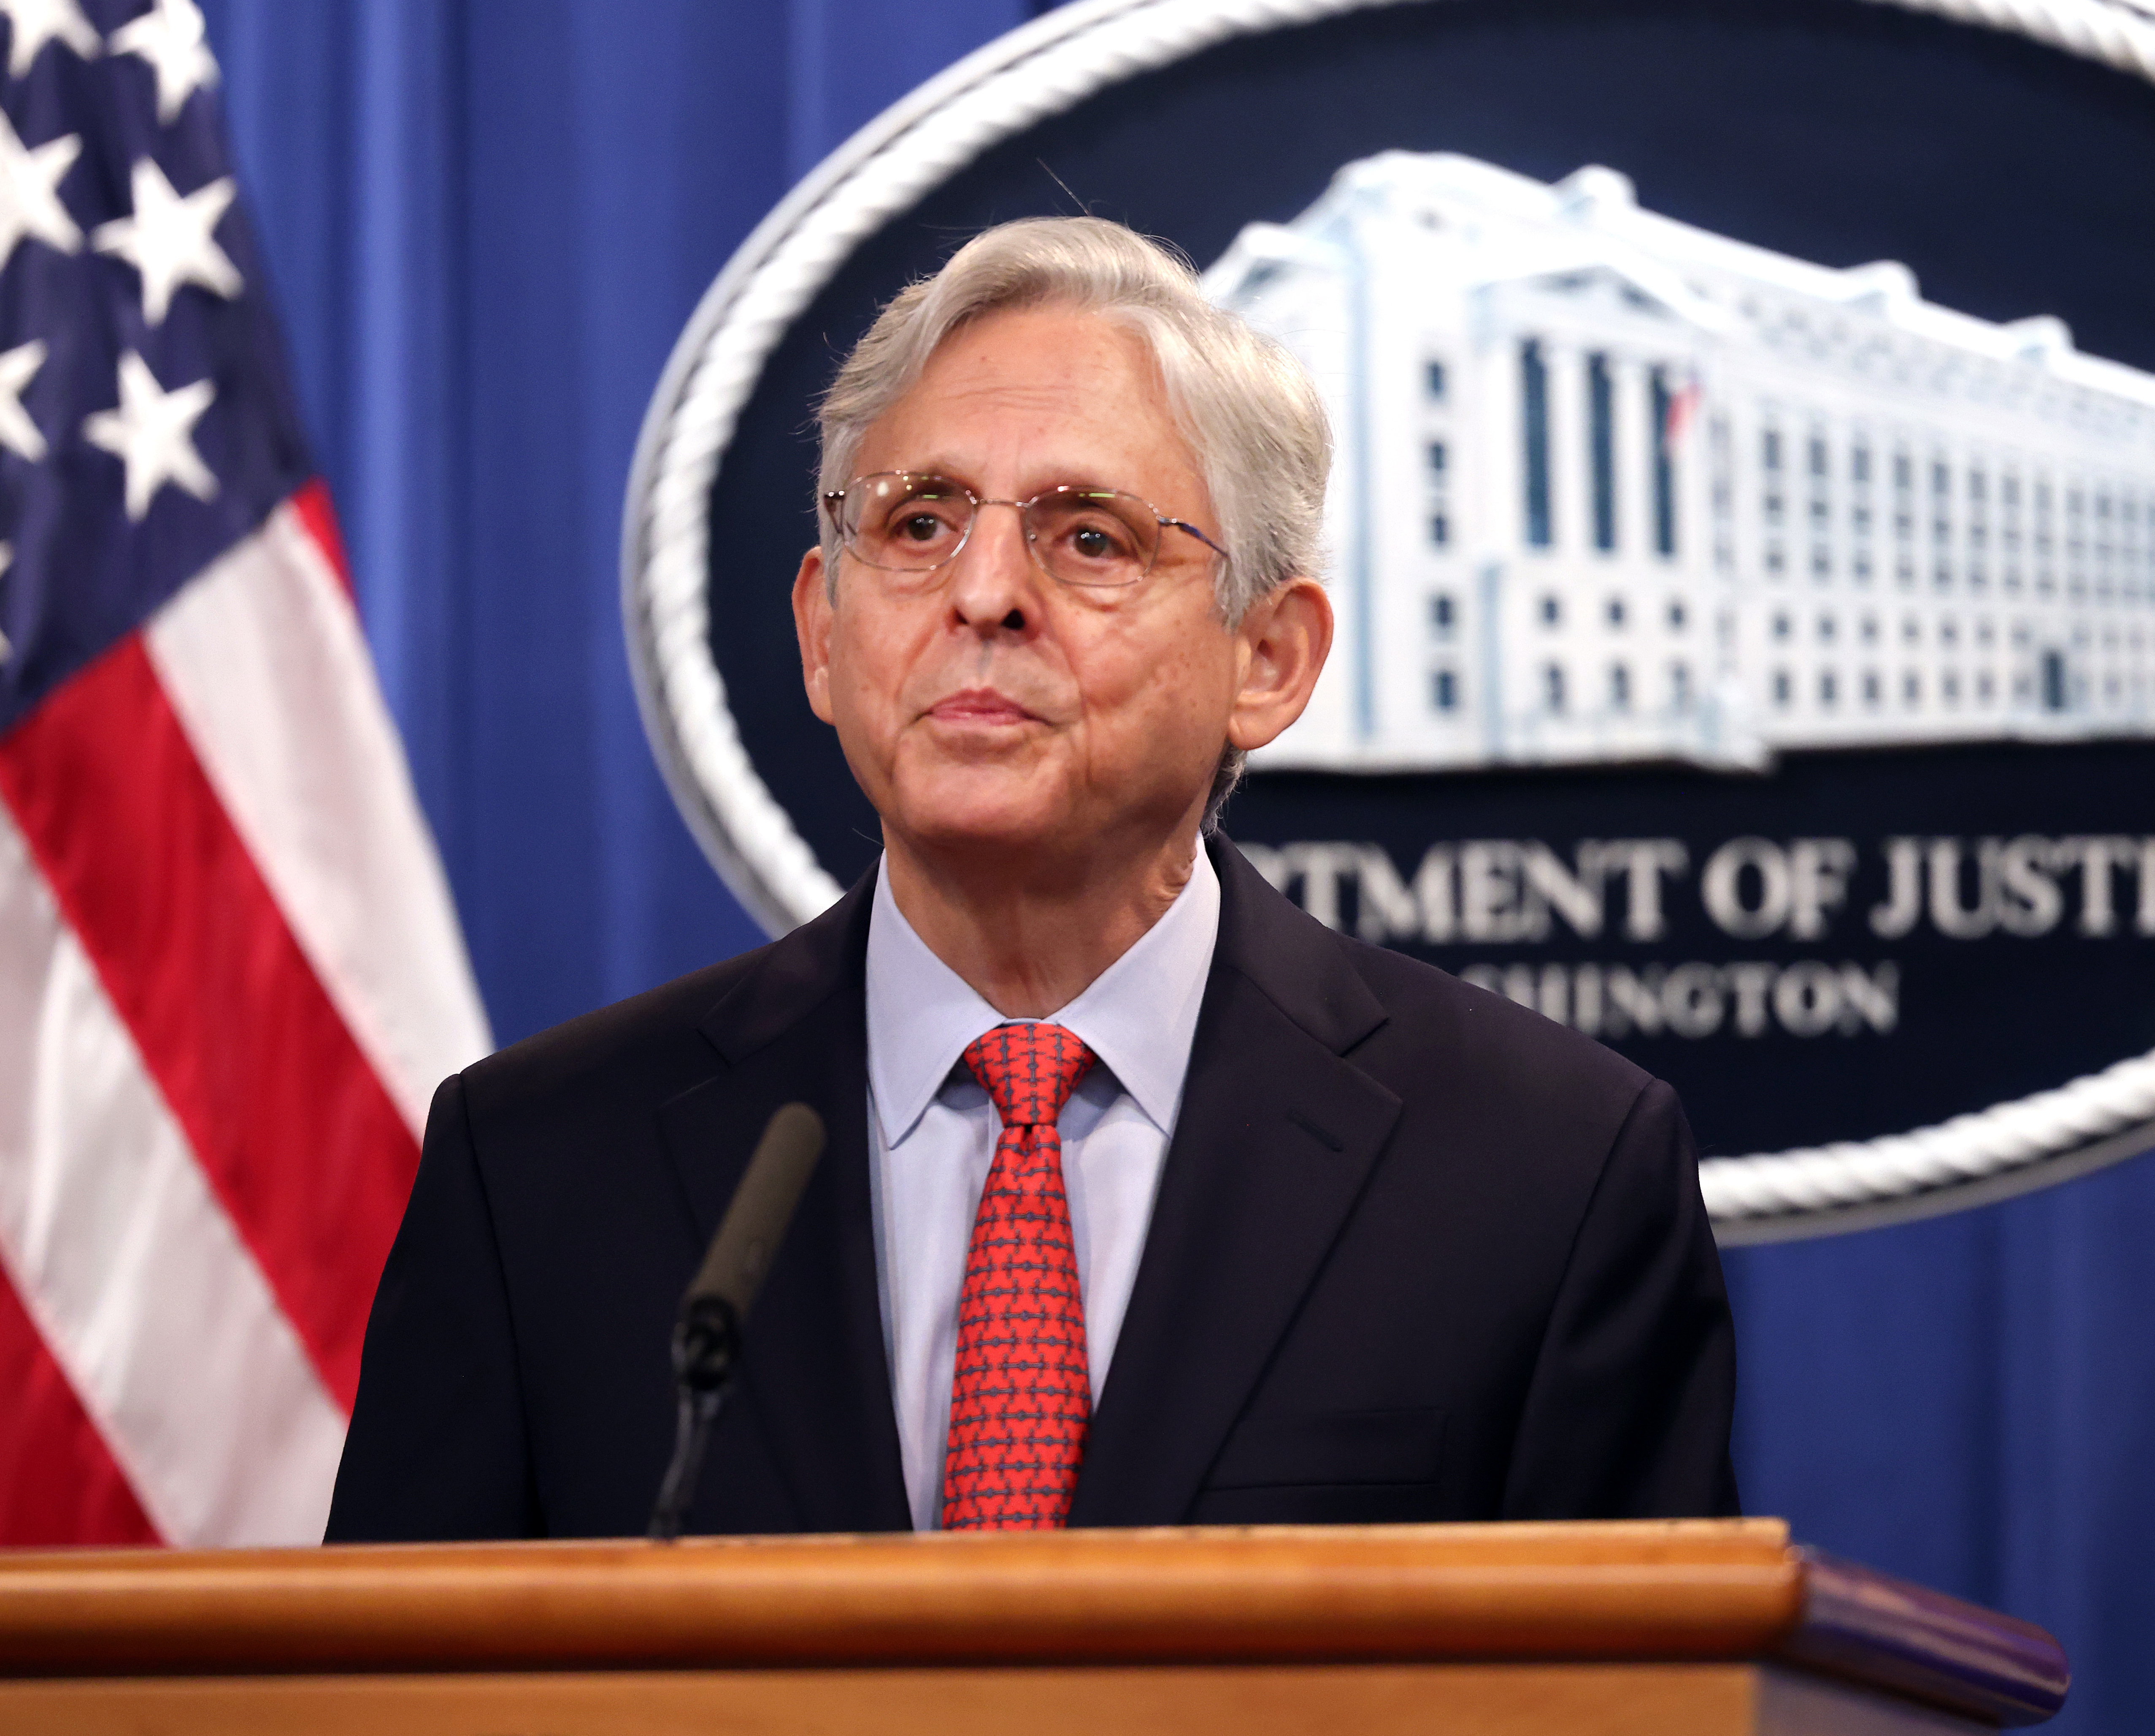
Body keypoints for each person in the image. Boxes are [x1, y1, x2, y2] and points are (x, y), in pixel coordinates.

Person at [327, 218, 1738, 1539]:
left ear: (1270, 659)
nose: (984, 591)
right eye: (920, 522)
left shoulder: (1542, 1172)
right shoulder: (540, 1174)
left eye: (1088, 536)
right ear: (824, 634)